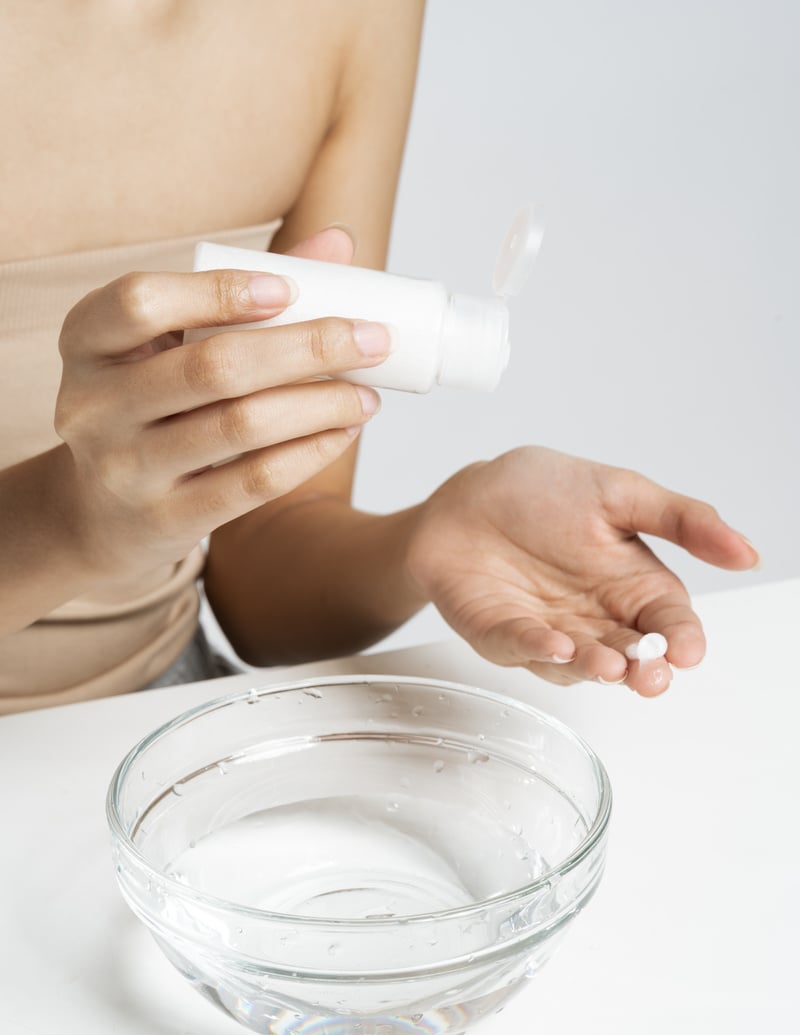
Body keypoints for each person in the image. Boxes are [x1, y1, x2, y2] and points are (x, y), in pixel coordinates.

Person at [0, 0, 758, 715]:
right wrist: (73, 522)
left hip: (150, 714)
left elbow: (259, 587)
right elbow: (96, 520)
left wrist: (427, 537)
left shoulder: (348, 15)